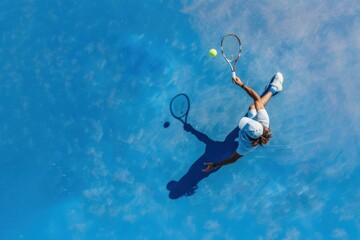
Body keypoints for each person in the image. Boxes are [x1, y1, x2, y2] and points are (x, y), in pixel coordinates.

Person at [202, 72, 284, 172]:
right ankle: (274, 88)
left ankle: (274, 88)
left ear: (246, 134)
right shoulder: (264, 120)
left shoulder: (245, 146)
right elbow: (257, 99)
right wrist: (241, 84)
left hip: (244, 140)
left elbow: (233, 159)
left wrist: (215, 165)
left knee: (229, 139)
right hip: (257, 125)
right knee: (253, 106)